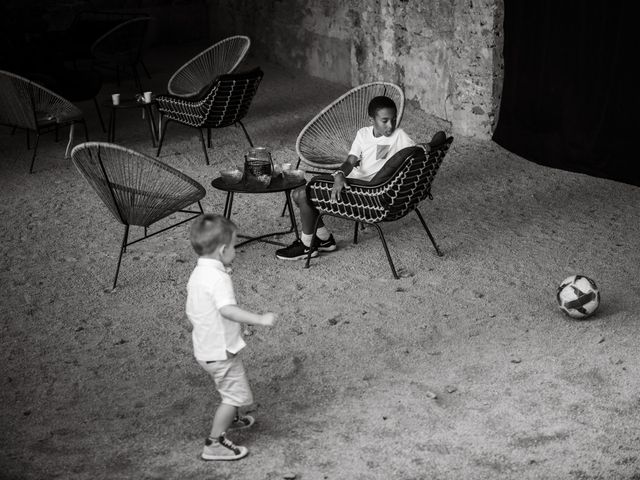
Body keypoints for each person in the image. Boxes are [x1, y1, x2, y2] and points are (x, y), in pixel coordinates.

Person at [276, 95, 415, 260]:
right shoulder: (363, 134)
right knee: (301, 194)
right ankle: (324, 240)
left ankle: (308, 245)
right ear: (372, 120)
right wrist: (340, 174)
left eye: (393, 119)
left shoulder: (398, 135)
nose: (390, 125)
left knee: (301, 194)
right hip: (352, 180)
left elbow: (416, 151)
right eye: (385, 120)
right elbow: (350, 161)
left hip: (365, 191)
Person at [186, 214, 277, 461]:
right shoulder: (218, 279)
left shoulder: (200, 273)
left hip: (206, 348)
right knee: (234, 394)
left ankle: (232, 419)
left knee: (230, 387)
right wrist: (258, 319)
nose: (235, 250)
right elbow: (227, 309)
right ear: (223, 250)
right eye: (234, 246)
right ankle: (214, 443)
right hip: (221, 352)